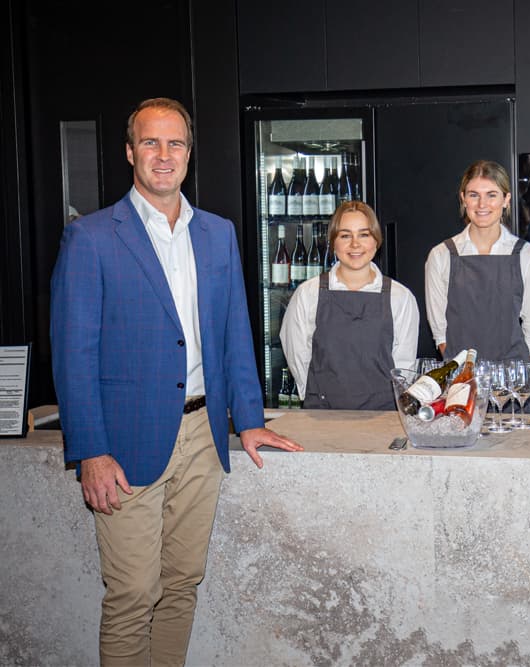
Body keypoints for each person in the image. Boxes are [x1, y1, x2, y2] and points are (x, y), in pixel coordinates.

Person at [50, 97, 303, 666]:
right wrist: (90, 450)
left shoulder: (217, 233)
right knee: (132, 593)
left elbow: (235, 333)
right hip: (125, 442)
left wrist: (252, 421)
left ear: (189, 153)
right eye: (150, 142)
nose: (164, 156)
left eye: (176, 143)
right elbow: (74, 354)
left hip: (203, 439)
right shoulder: (90, 238)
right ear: (129, 152)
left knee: (182, 581)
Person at [279, 200, 419, 409]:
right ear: (333, 242)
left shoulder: (400, 297)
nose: (355, 244)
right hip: (322, 415)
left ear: (376, 241)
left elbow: (404, 366)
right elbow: (296, 352)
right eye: (345, 235)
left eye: (364, 234)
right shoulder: (308, 294)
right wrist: (314, 391)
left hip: (384, 416)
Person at [424, 159, 530, 362]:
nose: (482, 204)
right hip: (461, 379)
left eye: (491, 195)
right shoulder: (441, 255)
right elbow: (440, 332)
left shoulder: (528, 255)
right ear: (463, 199)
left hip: (511, 380)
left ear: (506, 199)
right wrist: (463, 374)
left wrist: (516, 379)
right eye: (474, 195)